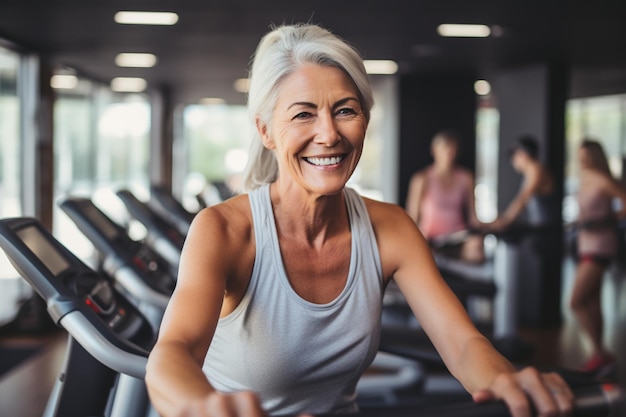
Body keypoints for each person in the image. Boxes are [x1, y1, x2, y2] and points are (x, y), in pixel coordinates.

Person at [145, 23, 574, 417]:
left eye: (346, 110)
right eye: (303, 114)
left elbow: (462, 343)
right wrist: (199, 405)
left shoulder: (390, 228)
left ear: (366, 120)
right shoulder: (224, 231)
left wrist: (504, 378)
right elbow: (173, 352)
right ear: (266, 131)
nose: (329, 134)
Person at [570, 139, 626, 374]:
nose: (583, 161)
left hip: (601, 245)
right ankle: (601, 355)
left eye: (587, 156)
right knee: (592, 300)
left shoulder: (603, 180)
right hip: (586, 243)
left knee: (575, 301)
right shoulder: (584, 180)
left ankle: (599, 353)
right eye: (580, 156)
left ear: (595, 157)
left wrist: (607, 220)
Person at [405, 130, 485, 263]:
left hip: (458, 237)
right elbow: (412, 216)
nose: (449, 152)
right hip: (431, 239)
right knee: (420, 252)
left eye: (453, 148)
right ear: (434, 150)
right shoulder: (422, 179)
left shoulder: (466, 177)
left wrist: (492, 225)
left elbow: (473, 218)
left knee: (475, 248)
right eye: (445, 147)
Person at [486, 135, 557, 232]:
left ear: (523, 154)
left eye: (514, 155)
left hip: (546, 230)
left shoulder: (535, 169)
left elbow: (523, 197)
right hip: (540, 228)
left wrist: (505, 220)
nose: (513, 160)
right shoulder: (532, 171)